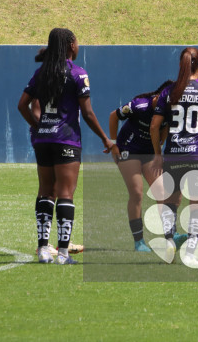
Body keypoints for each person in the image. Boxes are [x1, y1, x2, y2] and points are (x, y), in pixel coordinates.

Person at [17, 28, 114, 265]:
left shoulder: (41, 73)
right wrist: (105, 138)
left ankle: (42, 250)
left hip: (43, 141)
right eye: (77, 42)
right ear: (71, 45)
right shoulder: (78, 74)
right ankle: (62, 253)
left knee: (45, 192)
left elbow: (22, 105)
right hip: (66, 140)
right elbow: (88, 113)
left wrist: (37, 127)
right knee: (66, 194)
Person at [150, 47, 198, 267]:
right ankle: (191, 251)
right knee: (197, 207)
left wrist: (157, 153)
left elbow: (155, 126)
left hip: (173, 155)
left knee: (171, 203)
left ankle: (170, 241)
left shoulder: (169, 92)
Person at [108, 79, 188, 252]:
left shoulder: (169, 110)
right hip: (128, 150)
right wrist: (113, 144)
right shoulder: (139, 106)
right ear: (159, 95)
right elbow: (113, 116)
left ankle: (171, 234)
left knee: (163, 192)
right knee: (137, 193)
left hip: (149, 153)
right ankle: (139, 242)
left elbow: (164, 130)